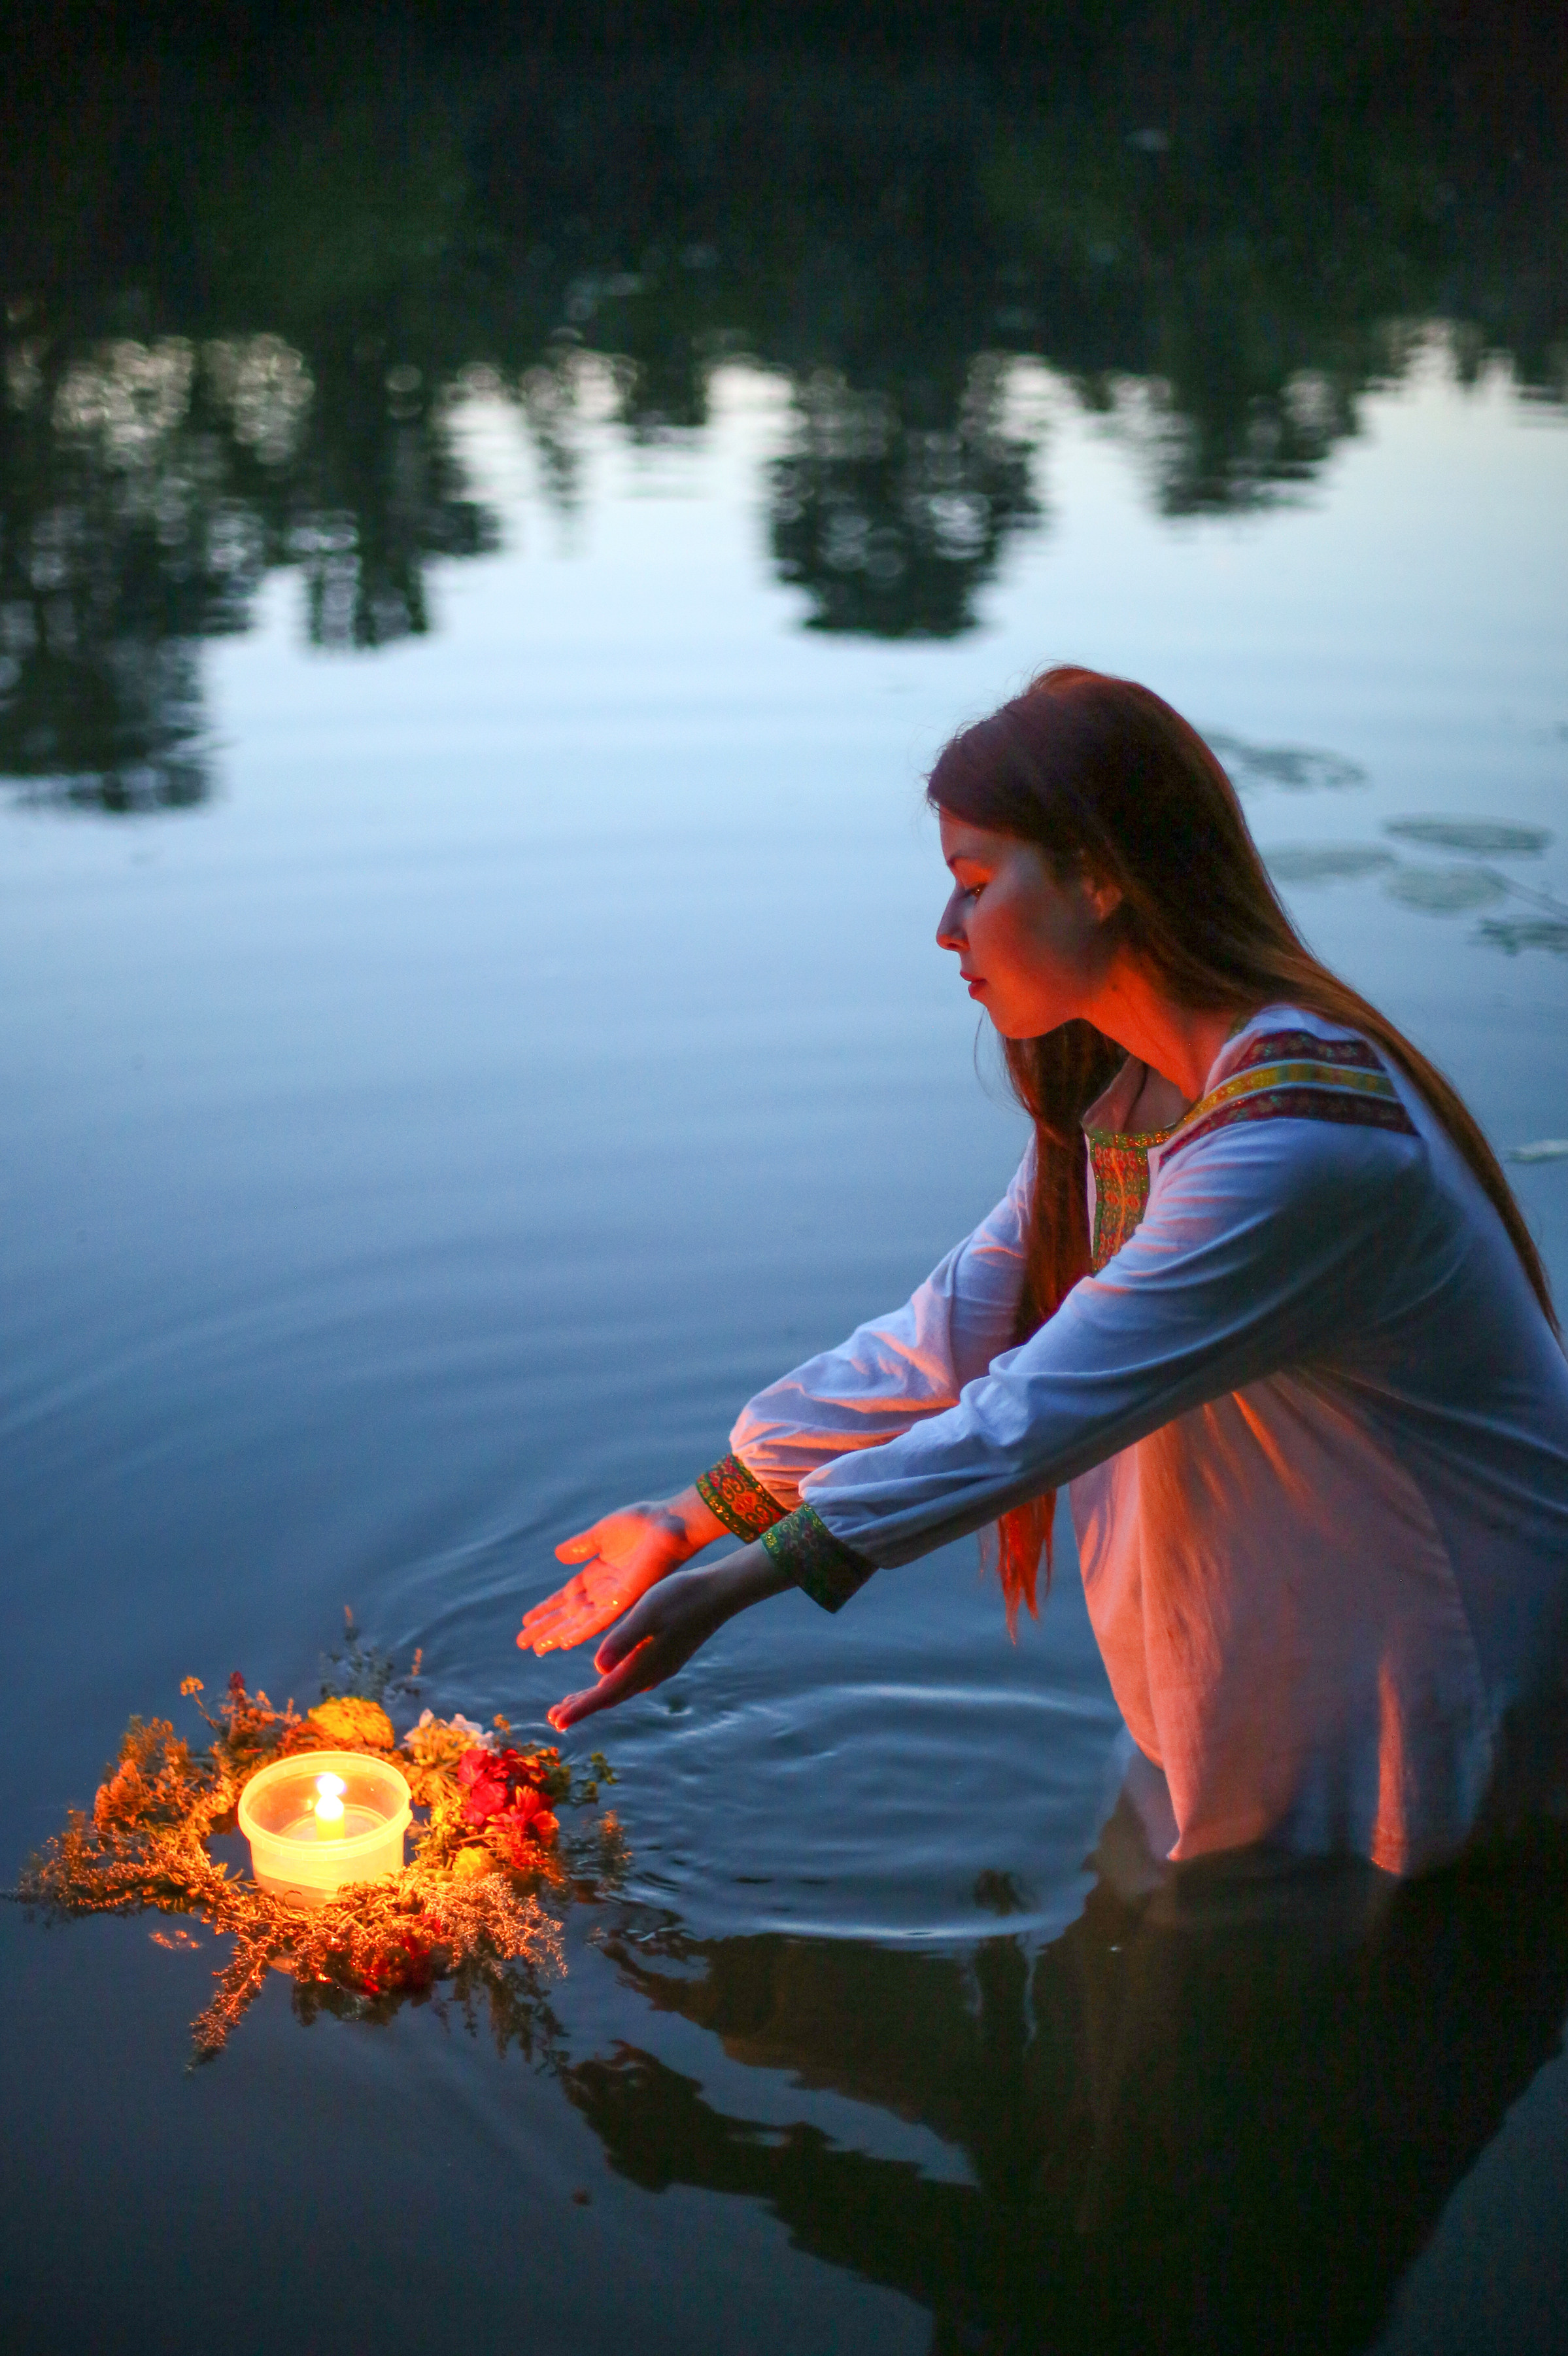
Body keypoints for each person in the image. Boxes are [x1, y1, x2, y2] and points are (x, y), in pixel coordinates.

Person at [520, 666, 1568, 1875]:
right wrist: (685, 1517)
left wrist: (745, 1583)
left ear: (1099, 873)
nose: (945, 929)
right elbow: (951, 1332)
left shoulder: (1295, 1145)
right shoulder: (1134, 1097)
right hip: (1267, 1671)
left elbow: (1025, 1417)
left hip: (1426, 1688)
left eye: (973, 883)